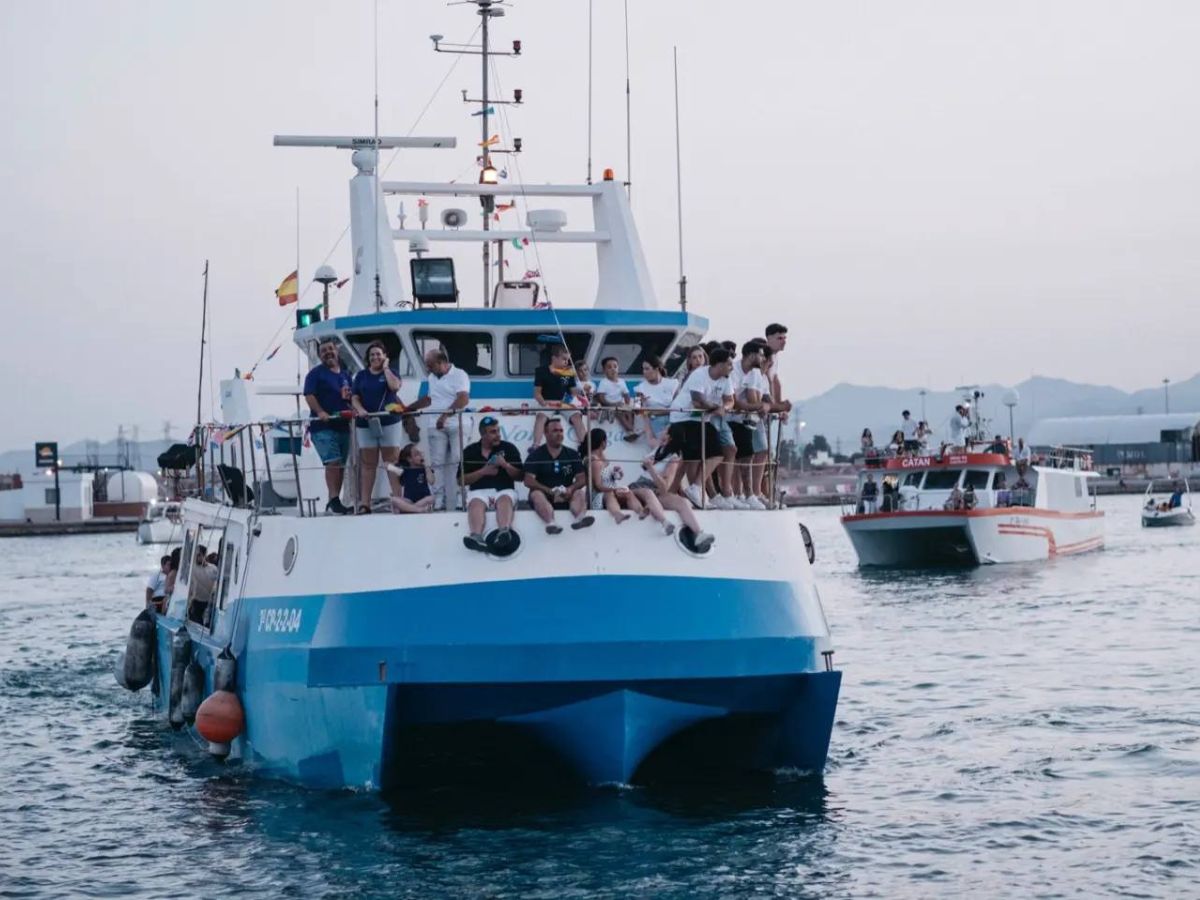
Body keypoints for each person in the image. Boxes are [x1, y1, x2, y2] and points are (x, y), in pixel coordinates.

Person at [667, 347, 734, 507]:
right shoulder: (699, 375)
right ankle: (693, 491)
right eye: (729, 364)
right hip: (683, 417)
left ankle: (694, 489)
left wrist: (724, 407)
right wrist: (716, 407)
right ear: (719, 365)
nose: (732, 368)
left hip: (701, 419)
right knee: (694, 457)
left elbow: (730, 400)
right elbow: (698, 400)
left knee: (714, 454)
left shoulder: (726, 379)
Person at [404, 348, 470, 511]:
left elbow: (463, 399)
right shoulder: (432, 377)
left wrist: (445, 416)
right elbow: (429, 399)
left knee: (458, 459)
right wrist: (407, 409)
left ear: (441, 363)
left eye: (430, 365)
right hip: (435, 425)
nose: (428, 369)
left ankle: (462, 498)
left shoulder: (460, 374)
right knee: (437, 463)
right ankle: (438, 500)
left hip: (456, 423)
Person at [351, 340, 404, 514]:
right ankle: (365, 503)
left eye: (378, 354)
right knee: (368, 464)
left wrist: (386, 368)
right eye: (372, 354)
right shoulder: (361, 376)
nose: (375, 357)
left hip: (389, 422)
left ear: (384, 357)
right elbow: (354, 397)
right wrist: (361, 410)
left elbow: (394, 387)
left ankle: (398, 500)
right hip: (366, 424)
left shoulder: (392, 373)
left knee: (392, 462)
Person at [303, 338, 354, 515]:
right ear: (319, 355)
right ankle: (333, 499)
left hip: (343, 426)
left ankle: (334, 500)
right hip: (323, 427)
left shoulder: (345, 375)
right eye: (323, 351)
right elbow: (309, 395)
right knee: (332, 461)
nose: (328, 353)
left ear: (336, 351)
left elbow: (351, 396)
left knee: (340, 464)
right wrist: (320, 412)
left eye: (330, 349)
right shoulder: (316, 374)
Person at [459, 415, 523, 551]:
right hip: (479, 492)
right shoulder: (470, 451)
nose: (498, 435)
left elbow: (520, 476)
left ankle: (504, 532)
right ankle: (476, 537)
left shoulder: (509, 448)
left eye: (498, 431)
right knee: (475, 502)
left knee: (504, 499)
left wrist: (505, 465)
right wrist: (483, 471)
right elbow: (460, 480)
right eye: (493, 432)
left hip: (504, 489)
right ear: (483, 434)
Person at [523, 417, 595, 533]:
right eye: (555, 431)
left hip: (566, 494)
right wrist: (548, 490)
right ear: (546, 433)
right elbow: (528, 480)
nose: (559, 434)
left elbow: (582, 479)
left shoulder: (572, 454)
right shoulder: (536, 455)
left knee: (579, 492)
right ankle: (551, 523)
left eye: (561, 431)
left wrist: (570, 489)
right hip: (545, 495)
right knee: (536, 494)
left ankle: (580, 518)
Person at [630, 451, 715, 549]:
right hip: (640, 487)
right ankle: (663, 521)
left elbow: (664, 488)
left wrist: (650, 468)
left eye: (667, 437)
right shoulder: (659, 452)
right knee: (648, 493)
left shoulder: (673, 460)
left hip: (657, 491)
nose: (662, 439)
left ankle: (699, 533)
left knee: (681, 502)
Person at [729, 341, 771, 509]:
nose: (762, 358)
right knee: (735, 456)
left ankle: (748, 495)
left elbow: (763, 397)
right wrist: (759, 407)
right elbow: (733, 399)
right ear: (752, 355)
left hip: (745, 420)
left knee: (748, 455)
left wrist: (770, 406)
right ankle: (739, 494)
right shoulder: (733, 370)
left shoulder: (755, 373)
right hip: (730, 418)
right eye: (760, 355)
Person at [585, 428, 645, 523]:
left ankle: (641, 511)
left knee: (628, 492)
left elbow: (606, 477)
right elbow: (598, 485)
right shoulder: (594, 461)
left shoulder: (603, 458)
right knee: (610, 494)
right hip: (598, 496)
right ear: (603, 442)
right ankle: (617, 514)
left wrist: (615, 474)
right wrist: (614, 490)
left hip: (610, 491)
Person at [533, 344, 586, 446]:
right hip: (547, 402)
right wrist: (544, 403)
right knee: (541, 417)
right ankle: (536, 445)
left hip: (563, 403)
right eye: (564, 359)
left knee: (576, 417)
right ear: (554, 358)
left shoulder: (568, 372)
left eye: (568, 359)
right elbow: (537, 393)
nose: (567, 362)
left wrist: (581, 390)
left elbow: (572, 391)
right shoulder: (541, 371)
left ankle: (584, 446)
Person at [634, 355, 678, 448]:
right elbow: (637, 409)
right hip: (657, 422)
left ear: (657, 369)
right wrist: (644, 407)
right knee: (667, 447)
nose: (644, 372)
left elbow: (678, 407)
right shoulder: (640, 388)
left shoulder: (673, 384)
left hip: (674, 421)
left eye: (647, 369)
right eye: (643, 369)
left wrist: (652, 411)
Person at [593, 356, 638, 438]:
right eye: (609, 367)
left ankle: (631, 430)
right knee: (619, 412)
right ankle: (630, 429)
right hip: (608, 406)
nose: (613, 369)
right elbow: (601, 398)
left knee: (630, 410)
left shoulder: (622, 381)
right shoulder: (604, 382)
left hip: (620, 405)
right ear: (604, 370)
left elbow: (626, 395)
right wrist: (612, 404)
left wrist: (627, 405)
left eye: (615, 366)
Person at [388, 444, 435, 513]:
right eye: (417, 455)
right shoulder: (404, 469)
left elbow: (432, 481)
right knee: (394, 500)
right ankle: (418, 510)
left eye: (421, 454)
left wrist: (427, 467)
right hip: (409, 500)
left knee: (432, 499)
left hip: (423, 500)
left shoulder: (425, 469)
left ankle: (407, 509)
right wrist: (394, 463)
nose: (420, 456)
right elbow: (389, 467)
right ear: (409, 459)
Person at [763, 323, 793, 423]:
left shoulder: (775, 357)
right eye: (780, 338)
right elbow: (766, 383)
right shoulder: (764, 356)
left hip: (769, 404)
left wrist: (779, 405)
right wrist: (778, 408)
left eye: (785, 338)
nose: (784, 341)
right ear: (769, 338)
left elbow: (776, 382)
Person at [187, 544, 218, 624]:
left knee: (206, 622)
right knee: (195, 620)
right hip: (195, 600)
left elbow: (217, 584)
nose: (196, 557)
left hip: (209, 601)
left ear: (204, 555)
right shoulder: (191, 568)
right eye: (195, 555)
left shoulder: (213, 568)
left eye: (199, 555)